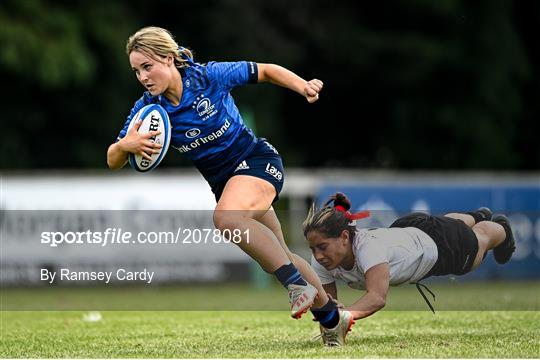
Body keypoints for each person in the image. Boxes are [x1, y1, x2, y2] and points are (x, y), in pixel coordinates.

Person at [106, 26, 341, 322]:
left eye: (147, 66)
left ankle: (295, 286)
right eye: (137, 71)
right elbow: (113, 158)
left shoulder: (208, 76)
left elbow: (265, 71)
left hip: (256, 161)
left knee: (226, 218)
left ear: (168, 58)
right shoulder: (148, 110)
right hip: (227, 184)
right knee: (281, 253)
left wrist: (302, 86)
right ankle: (332, 317)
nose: (142, 77)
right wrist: (126, 145)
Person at [303, 192, 516, 346]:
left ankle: (501, 229)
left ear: (344, 237)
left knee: (475, 250)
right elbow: (328, 307)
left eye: (322, 247)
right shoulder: (321, 262)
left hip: (439, 246)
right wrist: (330, 316)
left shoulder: (369, 249)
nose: (318, 255)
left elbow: (377, 297)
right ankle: (477, 215)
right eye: (313, 249)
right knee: (447, 223)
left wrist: (344, 315)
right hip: (408, 228)